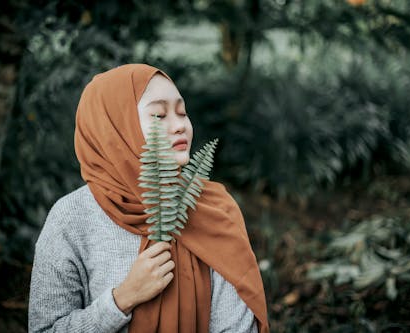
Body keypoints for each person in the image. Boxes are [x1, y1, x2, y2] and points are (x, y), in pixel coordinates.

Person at [28, 64, 269, 333]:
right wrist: (121, 300)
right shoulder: (72, 217)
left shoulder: (214, 210)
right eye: (159, 115)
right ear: (115, 129)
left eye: (182, 112)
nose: (180, 126)